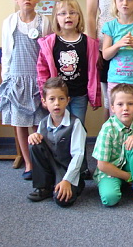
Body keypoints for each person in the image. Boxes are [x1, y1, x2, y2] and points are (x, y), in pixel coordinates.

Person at [0, 0, 51, 180]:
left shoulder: (44, 22)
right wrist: (6, 79)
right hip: (17, 79)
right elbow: (6, 53)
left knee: (39, 123)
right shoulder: (9, 22)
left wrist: (47, 82)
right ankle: (28, 163)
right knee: (20, 124)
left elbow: (47, 52)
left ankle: (39, 161)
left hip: (37, 79)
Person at [37, 0, 101, 125]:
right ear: (56, 18)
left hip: (80, 95)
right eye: (63, 13)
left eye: (72, 13)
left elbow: (94, 73)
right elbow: (42, 71)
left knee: (78, 126)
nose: (68, 16)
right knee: (60, 127)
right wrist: (44, 94)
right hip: (57, 97)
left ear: (79, 17)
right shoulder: (49, 43)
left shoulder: (88, 43)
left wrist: (96, 97)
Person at [92, 83, 133, 208]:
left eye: (130, 104)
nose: (125, 108)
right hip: (110, 171)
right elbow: (102, 165)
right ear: (112, 108)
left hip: (130, 168)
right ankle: (130, 180)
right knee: (110, 199)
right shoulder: (108, 128)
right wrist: (128, 177)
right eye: (120, 104)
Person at [26, 77, 87, 207]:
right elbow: (41, 150)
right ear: (44, 101)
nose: (57, 103)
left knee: (63, 201)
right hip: (52, 167)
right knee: (34, 143)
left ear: (68, 100)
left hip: (68, 170)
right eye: (52, 99)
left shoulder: (75, 124)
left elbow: (78, 155)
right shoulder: (43, 123)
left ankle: (76, 184)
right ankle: (44, 187)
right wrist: (33, 136)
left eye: (61, 99)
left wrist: (67, 180)